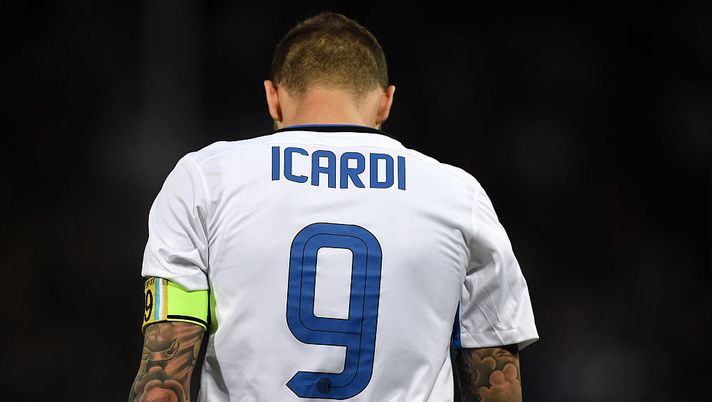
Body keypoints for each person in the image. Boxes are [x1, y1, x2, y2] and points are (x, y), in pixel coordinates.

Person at [129, 12, 538, 402]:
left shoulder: (206, 179)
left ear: (273, 98)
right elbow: (497, 384)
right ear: (385, 102)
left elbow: (161, 389)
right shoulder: (456, 195)